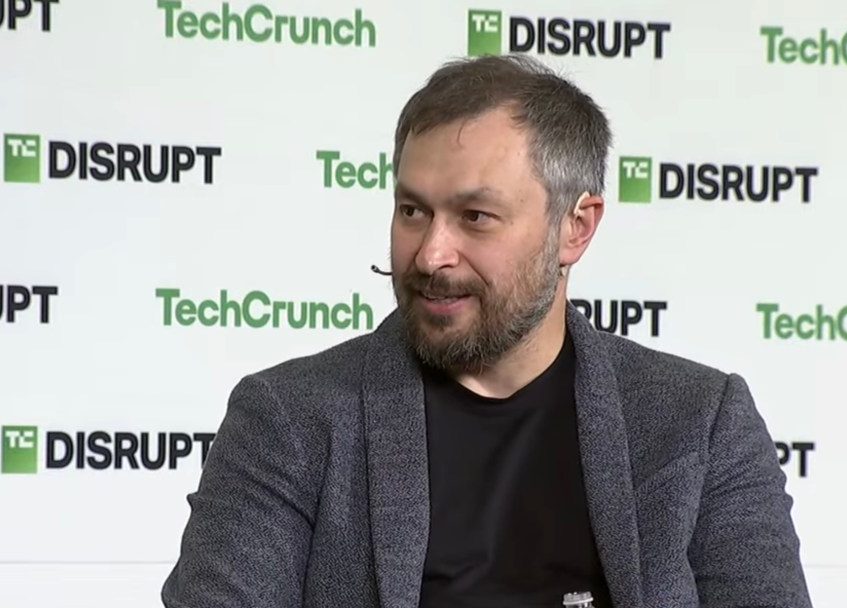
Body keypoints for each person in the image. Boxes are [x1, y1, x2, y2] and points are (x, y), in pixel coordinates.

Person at [162, 55, 812, 608]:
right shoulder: (289, 420)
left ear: (576, 227)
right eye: (412, 210)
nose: (430, 254)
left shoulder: (701, 423)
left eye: (475, 216)